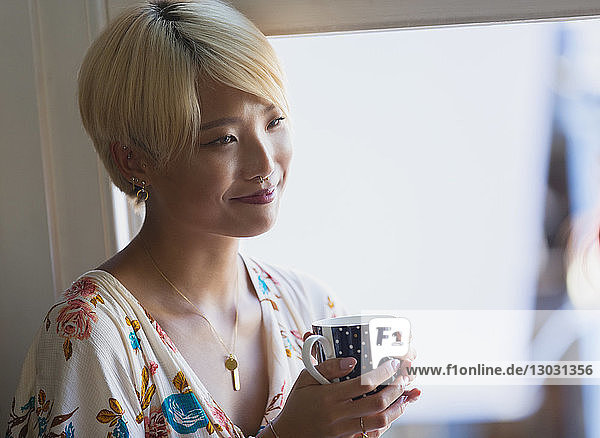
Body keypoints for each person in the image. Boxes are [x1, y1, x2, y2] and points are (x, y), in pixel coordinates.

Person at [5, 1, 419, 436]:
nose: (264, 163)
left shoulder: (311, 308)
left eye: (274, 121)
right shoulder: (91, 335)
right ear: (133, 159)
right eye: (223, 139)